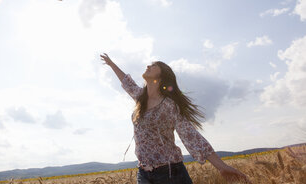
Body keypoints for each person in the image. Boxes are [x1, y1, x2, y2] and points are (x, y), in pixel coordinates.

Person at [100, 53, 252, 184]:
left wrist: (222, 166)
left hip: (169, 173)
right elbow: (127, 82)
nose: (148, 66)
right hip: (143, 172)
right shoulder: (141, 98)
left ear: (161, 76)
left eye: (154, 65)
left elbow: (190, 135)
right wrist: (112, 64)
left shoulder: (168, 106)